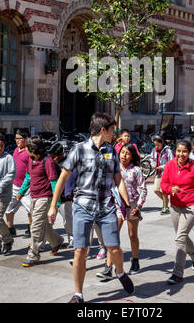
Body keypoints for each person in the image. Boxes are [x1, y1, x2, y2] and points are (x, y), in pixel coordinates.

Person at [48, 112, 135, 303]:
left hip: (106, 206)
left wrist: (127, 203)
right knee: (81, 250)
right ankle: (78, 294)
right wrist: (53, 206)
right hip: (83, 206)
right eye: (112, 130)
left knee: (114, 248)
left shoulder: (111, 151)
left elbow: (118, 179)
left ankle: (120, 272)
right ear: (103, 130)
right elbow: (63, 177)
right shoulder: (79, 149)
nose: (115, 134)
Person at [160, 139, 194, 284]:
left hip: (191, 205)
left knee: (180, 238)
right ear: (174, 151)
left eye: (184, 151)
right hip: (175, 206)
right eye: (178, 151)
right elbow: (164, 184)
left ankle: (177, 273)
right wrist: (170, 189)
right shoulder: (170, 165)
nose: (181, 154)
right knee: (181, 236)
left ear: (189, 152)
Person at [97, 143, 147, 279]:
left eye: (128, 153)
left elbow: (143, 189)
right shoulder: (114, 168)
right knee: (112, 236)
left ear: (132, 156)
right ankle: (108, 267)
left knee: (132, 235)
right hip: (116, 205)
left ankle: (135, 260)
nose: (124, 156)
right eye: (122, 152)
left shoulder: (136, 170)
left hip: (132, 206)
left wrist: (139, 207)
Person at [17, 136, 64, 267]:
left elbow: (54, 183)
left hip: (45, 198)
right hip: (34, 196)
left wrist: (56, 203)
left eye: (27, 147)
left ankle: (33, 255)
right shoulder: (31, 160)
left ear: (32, 149)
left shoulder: (47, 161)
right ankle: (56, 241)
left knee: (36, 226)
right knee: (43, 224)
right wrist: (21, 191)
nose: (25, 149)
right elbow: (28, 177)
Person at [5, 130, 32, 238]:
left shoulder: (29, 152)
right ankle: (10, 229)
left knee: (29, 209)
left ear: (26, 138)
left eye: (19, 138)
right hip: (15, 185)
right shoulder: (16, 150)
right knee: (8, 208)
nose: (17, 141)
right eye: (16, 138)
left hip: (27, 187)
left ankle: (31, 228)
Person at [150, 135, 174, 215]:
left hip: (165, 173)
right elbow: (152, 158)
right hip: (158, 173)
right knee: (156, 190)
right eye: (155, 145)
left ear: (162, 143)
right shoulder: (154, 150)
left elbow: (171, 161)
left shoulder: (168, 151)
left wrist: (162, 167)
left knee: (163, 191)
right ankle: (166, 202)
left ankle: (165, 207)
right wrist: (153, 164)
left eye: (158, 145)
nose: (156, 146)